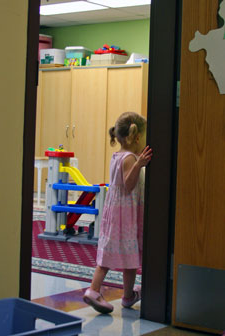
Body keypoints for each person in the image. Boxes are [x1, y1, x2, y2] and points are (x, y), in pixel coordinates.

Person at [83, 112, 153, 314]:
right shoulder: (130, 158)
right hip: (126, 214)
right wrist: (140, 164)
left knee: (108, 254)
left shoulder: (117, 155)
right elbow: (129, 185)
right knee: (129, 256)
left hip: (114, 212)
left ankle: (96, 290)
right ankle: (124, 294)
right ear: (137, 137)